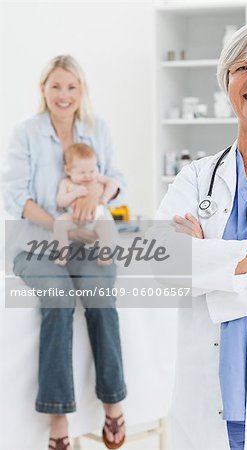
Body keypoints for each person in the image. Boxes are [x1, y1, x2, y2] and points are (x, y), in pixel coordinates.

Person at [155, 22, 247, 450]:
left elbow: (188, 268)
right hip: (206, 405)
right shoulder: (197, 176)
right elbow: (161, 263)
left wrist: (208, 263)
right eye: (242, 68)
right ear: (227, 81)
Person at [2, 55, 127, 450]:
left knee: (101, 299)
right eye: (55, 86)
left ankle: (113, 403)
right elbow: (15, 196)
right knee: (58, 299)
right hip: (36, 244)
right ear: (43, 89)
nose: (63, 95)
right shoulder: (26, 132)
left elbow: (117, 180)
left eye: (71, 86)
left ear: (81, 91)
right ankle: (59, 417)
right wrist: (58, 224)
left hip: (88, 245)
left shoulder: (97, 128)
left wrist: (96, 191)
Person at [54, 143, 117, 267]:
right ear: (68, 170)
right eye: (82, 172)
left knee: (107, 225)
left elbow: (113, 183)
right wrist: (74, 194)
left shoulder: (96, 178)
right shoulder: (66, 183)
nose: (88, 175)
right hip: (74, 217)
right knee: (59, 223)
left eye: (92, 170)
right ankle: (63, 253)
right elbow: (61, 201)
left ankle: (104, 254)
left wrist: (105, 197)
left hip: (97, 217)